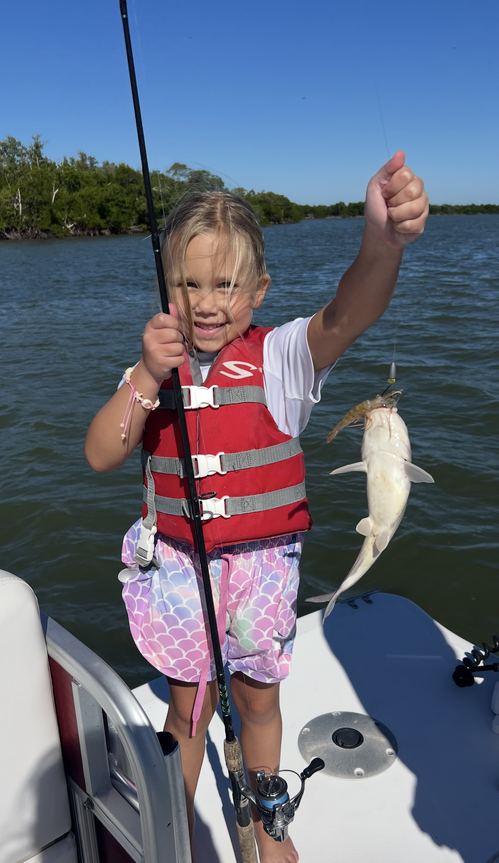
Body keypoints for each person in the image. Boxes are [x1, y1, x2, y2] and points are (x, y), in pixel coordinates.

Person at [85, 150, 428, 863]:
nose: (206, 302)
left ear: (259, 290)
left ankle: (270, 822)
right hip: (179, 572)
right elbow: (100, 454)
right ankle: (175, 828)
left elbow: (348, 313)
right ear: (165, 287)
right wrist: (145, 373)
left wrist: (382, 242)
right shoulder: (152, 370)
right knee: (188, 709)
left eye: (226, 284)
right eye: (188, 283)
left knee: (259, 702)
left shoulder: (281, 361)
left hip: (261, 575)